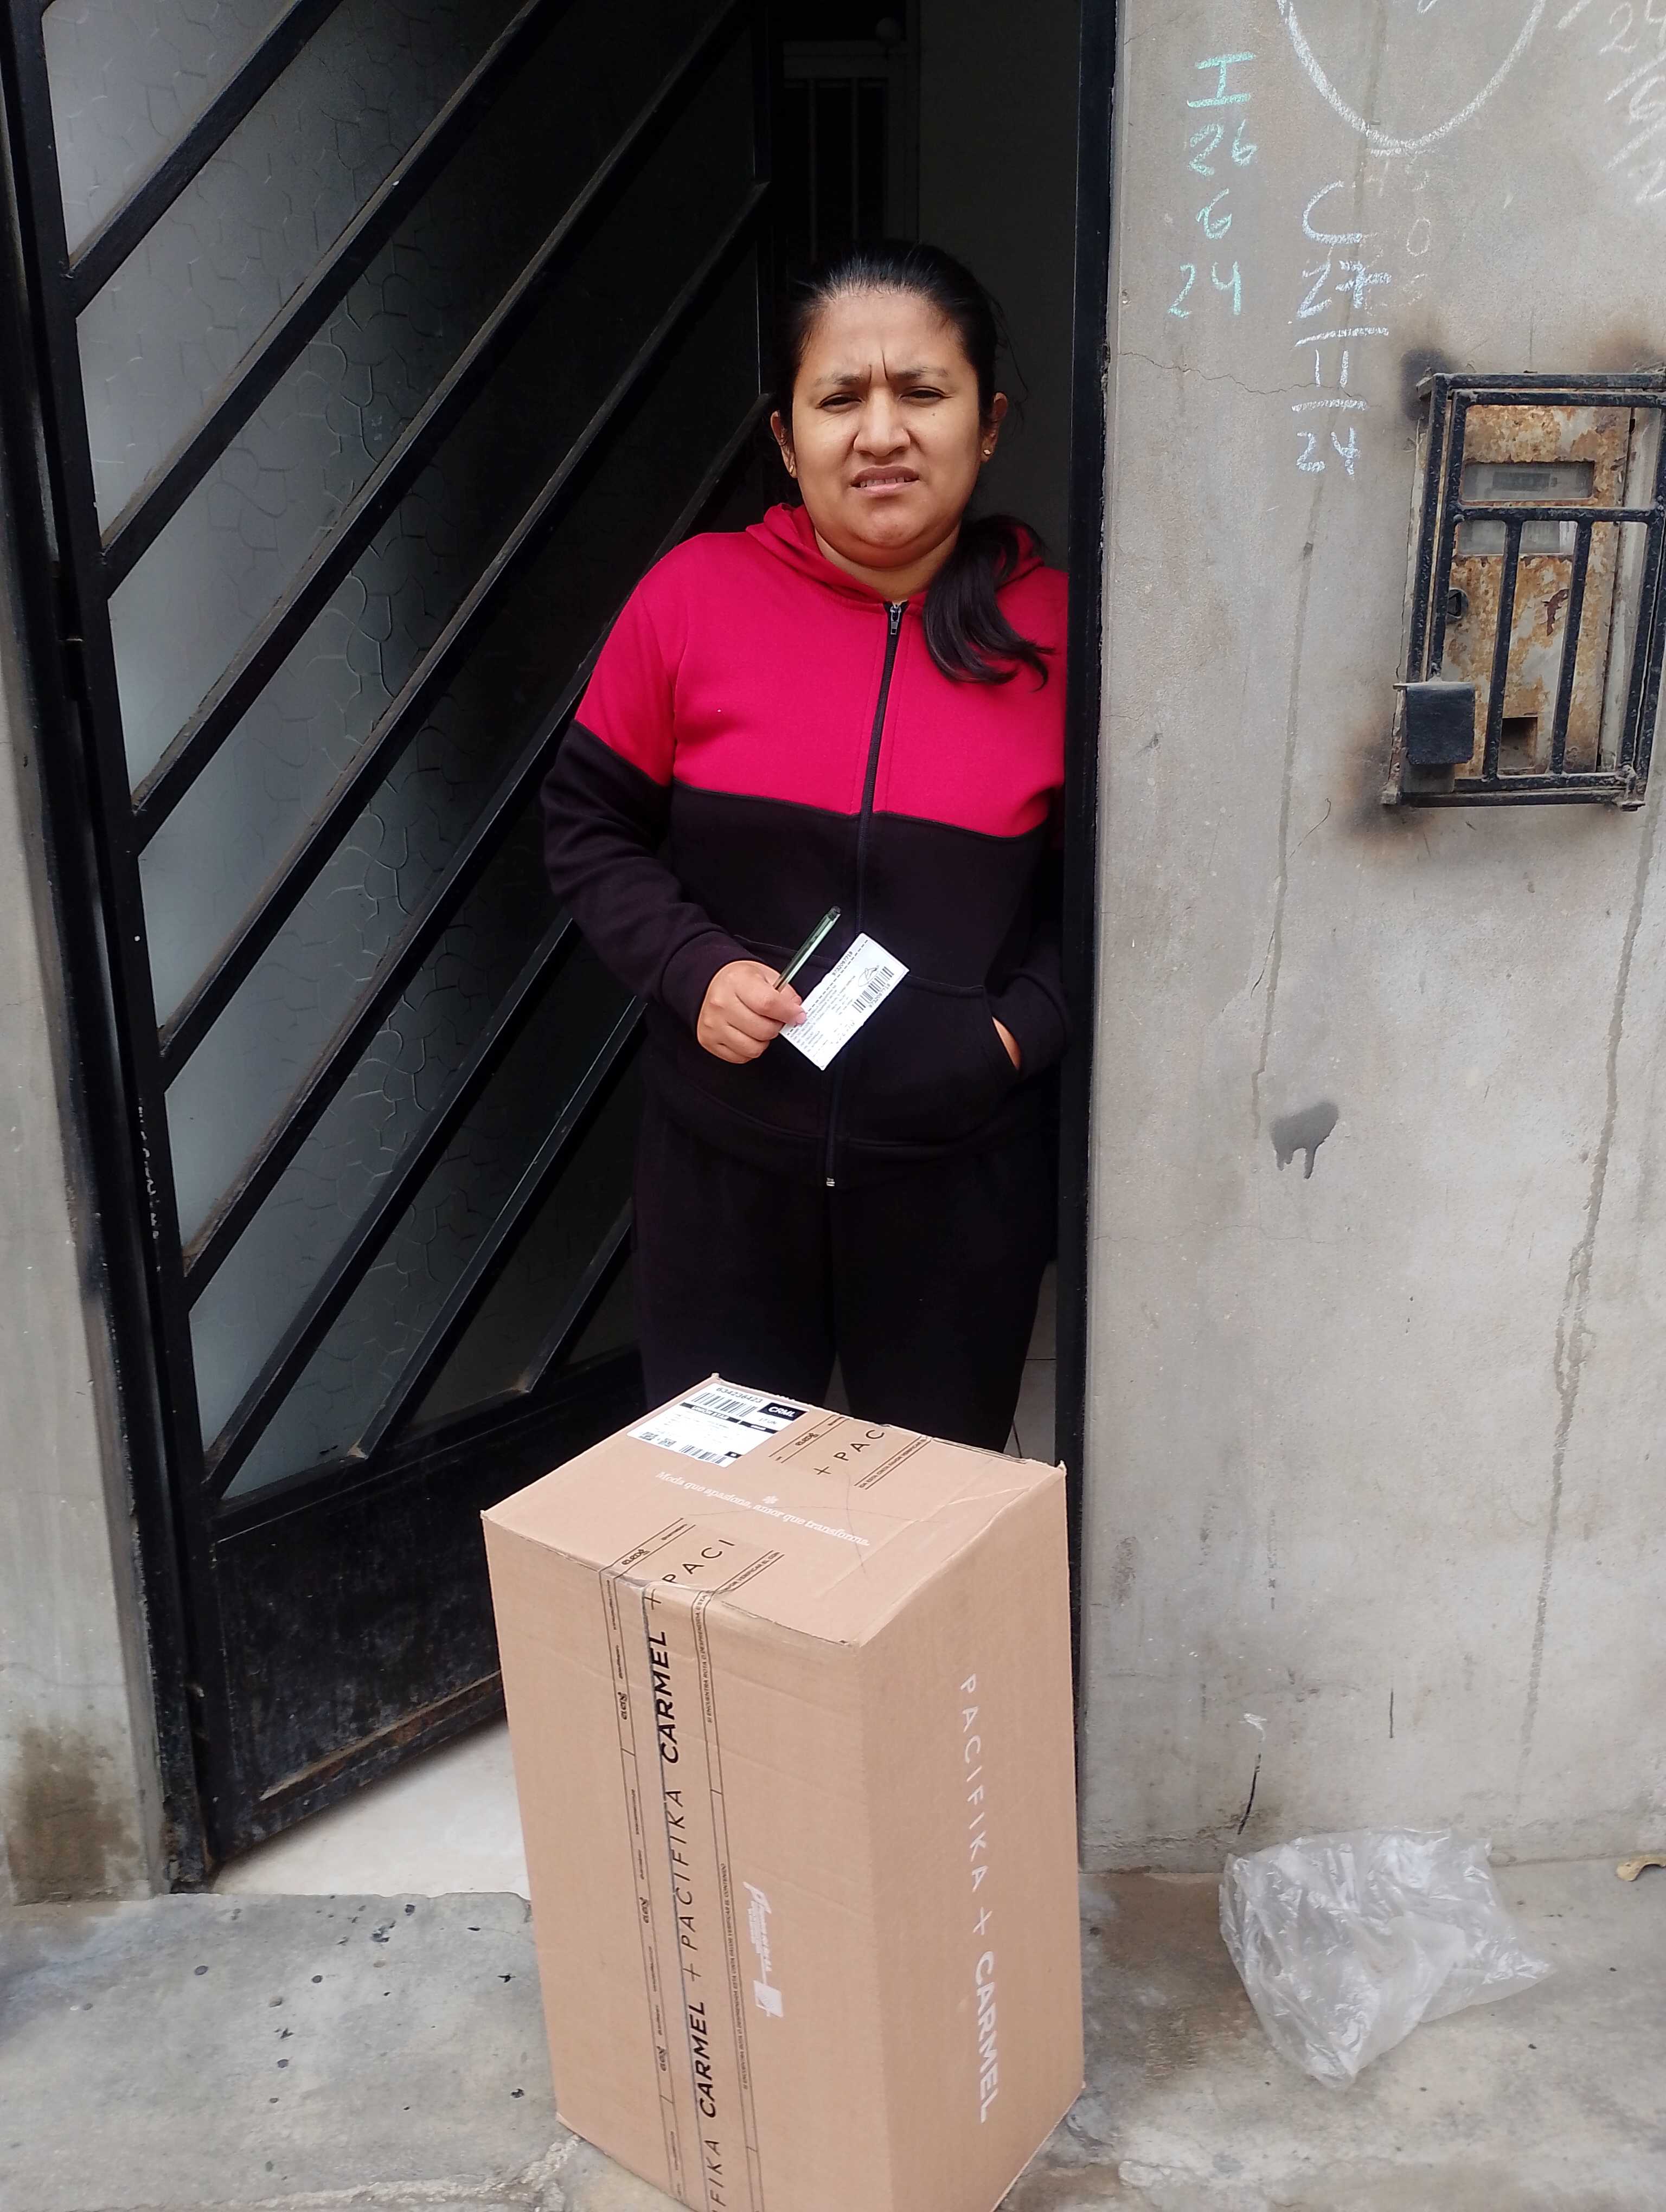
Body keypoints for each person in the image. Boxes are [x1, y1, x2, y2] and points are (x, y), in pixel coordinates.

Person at [541, 241, 1067, 1449]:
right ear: (786, 439)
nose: (881, 433)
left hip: (957, 1191)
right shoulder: (692, 600)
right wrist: (693, 968)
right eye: (840, 399)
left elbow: (1117, 898)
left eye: (922, 392)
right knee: (716, 1514)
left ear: (989, 424)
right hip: (722, 1181)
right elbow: (586, 824)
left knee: (925, 1522)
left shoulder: (1061, 634)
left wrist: (1008, 1036)